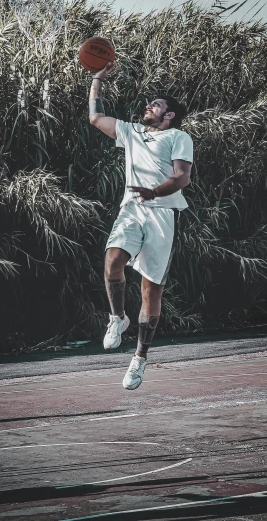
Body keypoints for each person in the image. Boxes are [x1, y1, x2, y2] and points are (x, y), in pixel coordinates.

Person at [89, 61, 193, 390]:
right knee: (113, 259)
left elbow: (182, 177)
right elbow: (95, 118)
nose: (150, 105)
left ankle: (139, 359)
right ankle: (118, 318)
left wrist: (154, 191)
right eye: (150, 103)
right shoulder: (132, 132)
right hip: (132, 208)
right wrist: (96, 80)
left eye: (157, 104)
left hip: (162, 214)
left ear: (170, 115)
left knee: (152, 292)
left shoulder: (178, 137)